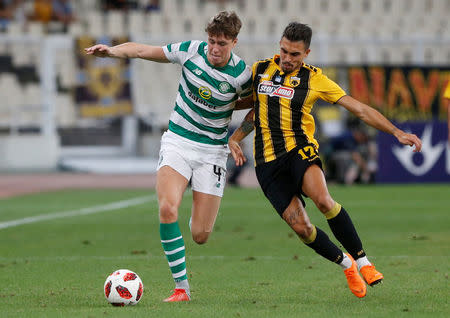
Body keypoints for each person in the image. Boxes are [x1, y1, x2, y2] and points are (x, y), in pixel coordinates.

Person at [229, 22, 422, 298]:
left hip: (299, 151)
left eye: (295, 54)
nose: (287, 58)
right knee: (303, 228)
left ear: (306, 53)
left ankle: (364, 262)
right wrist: (234, 137)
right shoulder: (260, 70)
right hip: (267, 165)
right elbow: (252, 109)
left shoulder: (315, 79)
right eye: (284, 51)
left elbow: (360, 109)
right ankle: (347, 264)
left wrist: (397, 132)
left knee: (322, 199)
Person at [85, 11, 252, 302]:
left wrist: (236, 136)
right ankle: (181, 288)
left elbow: (258, 105)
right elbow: (140, 50)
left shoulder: (242, 75)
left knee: (200, 235)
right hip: (178, 142)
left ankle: (197, 211)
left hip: (212, 152)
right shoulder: (190, 51)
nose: (214, 48)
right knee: (167, 209)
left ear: (234, 42)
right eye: (211, 41)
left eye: (222, 43)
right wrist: (111, 51)